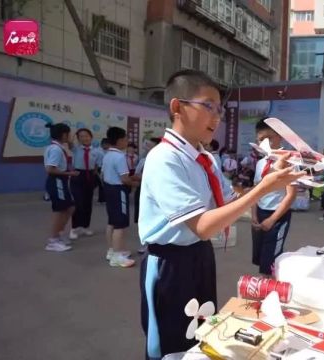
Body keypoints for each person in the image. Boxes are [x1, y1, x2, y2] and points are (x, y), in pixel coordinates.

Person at [138, 70, 303, 359]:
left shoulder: (205, 158)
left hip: (200, 257)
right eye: (208, 106)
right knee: (169, 346)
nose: (217, 117)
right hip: (170, 263)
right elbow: (201, 225)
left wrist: (270, 180)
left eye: (220, 109)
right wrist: (262, 189)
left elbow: (228, 201)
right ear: (177, 107)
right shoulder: (164, 158)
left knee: (201, 334)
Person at [251, 119, 298, 275]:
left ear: (280, 137)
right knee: (260, 257)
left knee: (271, 260)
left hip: (277, 216)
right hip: (259, 213)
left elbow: (290, 195)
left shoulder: (289, 161)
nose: (266, 143)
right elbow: (256, 190)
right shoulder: (260, 163)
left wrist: (272, 220)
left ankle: (270, 292)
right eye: (261, 139)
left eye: (270, 138)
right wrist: (253, 215)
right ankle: (264, 287)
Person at [102, 127, 139, 268]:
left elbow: (104, 174)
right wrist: (138, 183)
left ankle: (112, 251)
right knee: (120, 224)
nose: (127, 141)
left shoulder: (107, 155)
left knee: (112, 221)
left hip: (109, 189)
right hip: (118, 190)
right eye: (125, 139)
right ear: (119, 140)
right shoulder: (119, 157)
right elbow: (125, 179)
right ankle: (117, 256)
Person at [43, 123, 78, 252]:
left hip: (62, 182)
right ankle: (53, 240)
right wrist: (70, 173)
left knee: (70, 207)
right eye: (68, 134)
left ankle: (59, 233)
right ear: (64, 135)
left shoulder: (59, 147)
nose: (69, 136)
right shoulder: (55, 149)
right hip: (57, 181)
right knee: (60, 210)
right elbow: (50, 169)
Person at [69, 128, 98, 240]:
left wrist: (94, 175)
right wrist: (73, 135)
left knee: (87, 203)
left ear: (91, 137)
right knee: (77, 203)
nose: (84, 138)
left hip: (90, 176)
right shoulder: (76, 149)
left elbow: (96, 165)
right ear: (78, 138)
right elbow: (70, 142)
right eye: (81, 136)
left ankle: (86, 226)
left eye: (86, 136)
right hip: (77, 175)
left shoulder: (96, 151)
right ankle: (74, 228)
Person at [95, 138, 111, 204]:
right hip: (99, 168)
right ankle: (101, 199)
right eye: (106, 144)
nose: (107, 146)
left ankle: (104, 199)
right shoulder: (97, 151)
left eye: (108, 145)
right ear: (102, 144)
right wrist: (96, 170)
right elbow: (95, 161)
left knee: (105, 184)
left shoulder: (109, 151)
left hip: (107, 169)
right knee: (101, 184)